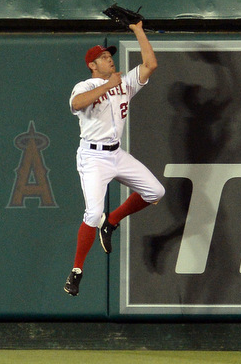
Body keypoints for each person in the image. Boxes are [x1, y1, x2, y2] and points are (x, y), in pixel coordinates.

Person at [64, 21, 165, 296]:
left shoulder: (122, 83)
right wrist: (108, 84)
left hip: (116, 153)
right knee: (92, 212)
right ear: (92, 65)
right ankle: (76, 271)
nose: (110, 59)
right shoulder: (85, 84)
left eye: (110, 56)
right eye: (104, 57)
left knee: (156, 191)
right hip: (92, 157)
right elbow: (76, 104)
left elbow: (150, 64)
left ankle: (112, 222)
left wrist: (138, 30)